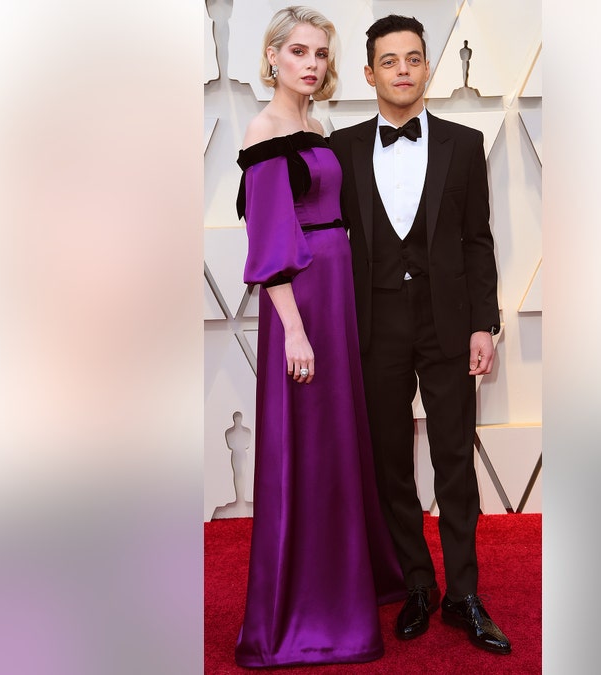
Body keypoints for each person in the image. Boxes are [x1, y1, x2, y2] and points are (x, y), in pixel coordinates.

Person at [329, 14, 512, 655]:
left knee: (455, 462)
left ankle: (464, 592)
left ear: (427, 66)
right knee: (390, 466)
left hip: (448, 326)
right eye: (390, 60)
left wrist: (484, 324)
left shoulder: (464, 143)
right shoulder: (342, 148)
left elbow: (478, 242)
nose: (403, 69)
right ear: (369, 72)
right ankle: (417, 583)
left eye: (413, 58)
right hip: (374, 328)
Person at [232, 6, 404, 668]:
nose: (311, 63)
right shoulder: (264, 128)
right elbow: (270, 240)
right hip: (300, 303)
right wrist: (294, 331)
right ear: (273, 57)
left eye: (320, 54)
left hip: (334, 299)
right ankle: (303, 614)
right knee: (304, 449)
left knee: (335, 444)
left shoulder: (313, 124)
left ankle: (341, 586)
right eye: (298, 51)